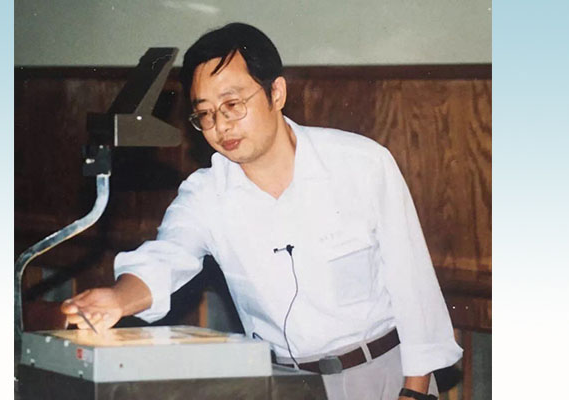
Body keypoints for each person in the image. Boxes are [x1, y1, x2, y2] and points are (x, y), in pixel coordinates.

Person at [61, 22, 462, 400]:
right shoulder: (205, 195)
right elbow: (166, 258)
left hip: (384, 374)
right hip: (282, 383)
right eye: (205, 113)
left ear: (276, 93)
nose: (221, 125)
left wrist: (413, 390)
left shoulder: (361, 164)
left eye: (233, 104)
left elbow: (413, 286)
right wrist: (117, 299)